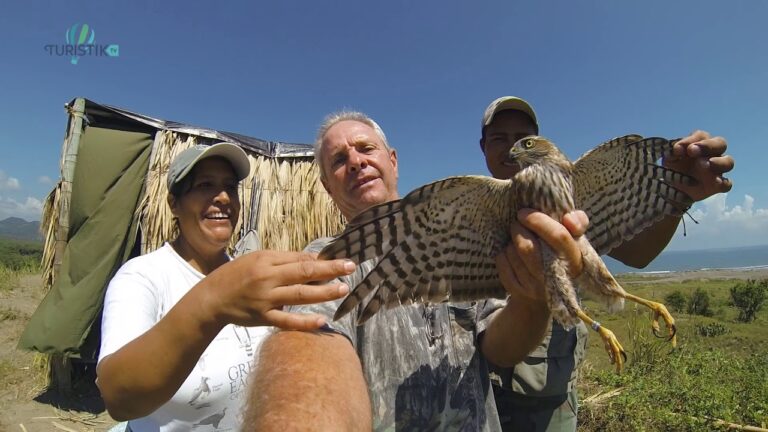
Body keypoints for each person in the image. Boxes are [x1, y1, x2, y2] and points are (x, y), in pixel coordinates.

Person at [244, 112, 591, 431]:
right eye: (339, 160)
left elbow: (499, 351)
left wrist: (532, 301)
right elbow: (306, 350)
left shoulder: (462, 237)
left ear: (393, 161)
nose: (355, 161)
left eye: (366, 148)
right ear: (326, 185)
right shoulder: (326, 259)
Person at [479, 96, 735, 431]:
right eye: (500, 138)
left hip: (555, 395)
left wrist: (676, 191)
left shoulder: (571, 184)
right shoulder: (479, 208)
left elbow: (637, 254)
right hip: (488, 392)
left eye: (523, 138)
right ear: (483, 146)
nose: (513, 147)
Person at [96, 142, 358, 431]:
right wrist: (213, 303)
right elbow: (119, 398)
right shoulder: (143, 276)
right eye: (205, 185)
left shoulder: (252, 279)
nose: (222, 197)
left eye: (230, 187)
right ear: (174, 203)